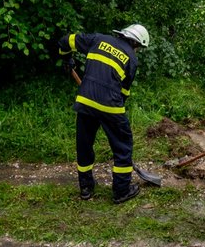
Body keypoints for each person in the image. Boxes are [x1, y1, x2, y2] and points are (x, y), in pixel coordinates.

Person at [58, 25, 149, 204]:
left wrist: (66, 58)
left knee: (84, 145)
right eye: (138, 47)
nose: (137, 51)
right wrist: (112, 117)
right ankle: (121, 191)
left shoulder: (97, 39)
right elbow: (123, 93)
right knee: (123, 146)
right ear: (135, 43)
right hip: (111, 106)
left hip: (85, 101)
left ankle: (85, 188)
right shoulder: (131, 58)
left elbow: (65, 41)